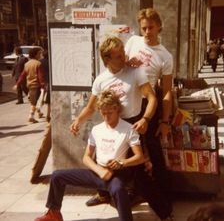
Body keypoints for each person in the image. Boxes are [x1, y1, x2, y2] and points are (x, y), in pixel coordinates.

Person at [70, 37, 173, 221]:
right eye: (118, 56)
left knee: (140, 176)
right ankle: (103, 194)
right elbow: (91, 107)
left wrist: (146, 119)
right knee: (99, 162)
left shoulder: (135, 72)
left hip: (132, 125)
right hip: (110, 126)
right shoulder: (101, 80)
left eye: (123, 53)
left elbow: (152, 98)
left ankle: (165, 213)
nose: (124, 58)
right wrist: (78, 120)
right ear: (106, 59)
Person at [35, 89, 145, 221]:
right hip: (98, 171)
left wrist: (121, 163)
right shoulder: (97, 129)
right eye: (103, 113)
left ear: (117, 110)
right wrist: (99, 170)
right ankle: (54, 214)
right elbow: (86, 157)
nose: (106, 117)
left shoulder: (128, 129)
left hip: (117, 172)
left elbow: (140, 157)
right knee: (57, 176)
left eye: (110, 112)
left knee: (118, 189)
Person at [125, 7, 173, 211]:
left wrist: (164, 121)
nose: (146, 32)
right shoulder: (133, 42)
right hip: (127, 100)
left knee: (152, 148)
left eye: (150, 27)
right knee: (127, 147)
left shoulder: (165, 56)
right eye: (143, 28)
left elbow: (168, 92)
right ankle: (132, 191)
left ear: (159, 26)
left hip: (148, 104)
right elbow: (118, 67)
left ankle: (164, 194)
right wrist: (128, 63)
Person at [14, 47, 45, 123]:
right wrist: (43, 85)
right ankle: (31, 116)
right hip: (36, 86)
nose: (41, 55)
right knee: (35, 102)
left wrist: (17, 84)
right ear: (36, 54)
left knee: (35, 100)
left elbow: (22, 75)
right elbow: (40, 76)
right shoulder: (38, 63)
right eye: (40, 53)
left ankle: (40, 113)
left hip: (30, 85)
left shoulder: (27, 64)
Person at [40, 50, 51, 122]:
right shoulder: (50, 62)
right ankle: (48, 115)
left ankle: (39, 111)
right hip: (49, 82)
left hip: (42, 82)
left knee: (41, 98)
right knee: (49, 101)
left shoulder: (40, 62)